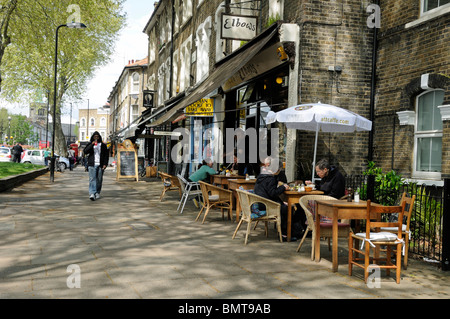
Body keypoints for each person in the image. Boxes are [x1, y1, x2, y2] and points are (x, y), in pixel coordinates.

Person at [254, 157, 303, 240]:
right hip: (267, 205)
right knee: (287, 209)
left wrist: (281, 201)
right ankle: (285, 234)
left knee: (285, 206)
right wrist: (283, 187)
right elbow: (273, 193)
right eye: (280, 169)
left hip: (261, 202)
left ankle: (291, 231)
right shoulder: (271, 178)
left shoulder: (262, 175)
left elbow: (270, 193)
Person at [84, 131, 109, 201]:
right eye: (95, 136)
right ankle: (92, 193)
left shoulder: (103, 145)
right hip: (92, 164)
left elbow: (106, 155)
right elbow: (85, 151)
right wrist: (92, 145)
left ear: (99, 137)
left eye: (97, 136)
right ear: (93, 137)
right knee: (92, 179)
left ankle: (97, 192)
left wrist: (105, 164)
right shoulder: (90, 144)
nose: (96, 138)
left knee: (99, 179)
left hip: (100, 165)